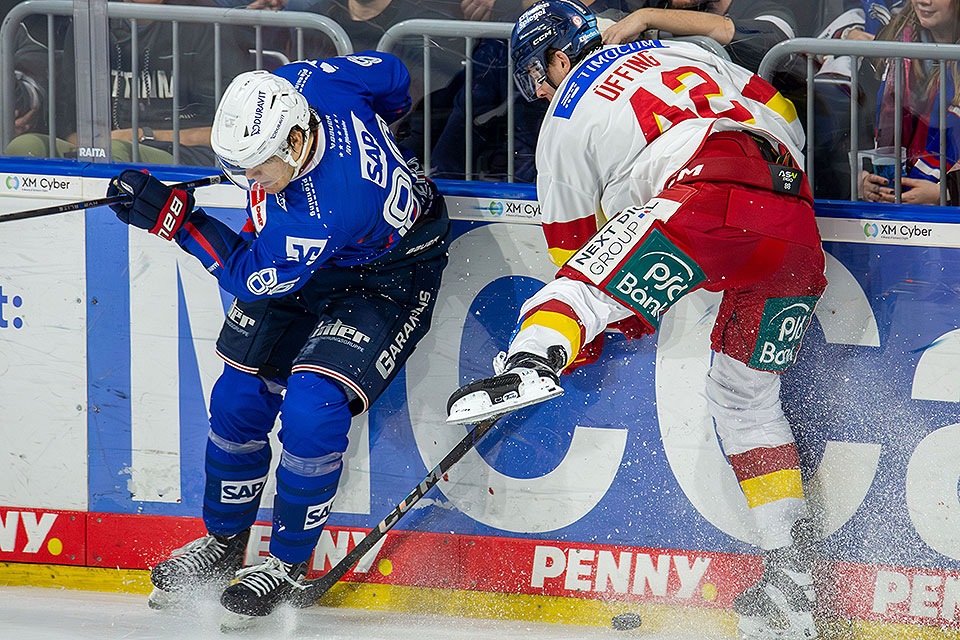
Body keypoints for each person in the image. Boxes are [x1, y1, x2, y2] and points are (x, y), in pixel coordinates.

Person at [446, 1, 825, 639]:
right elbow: (784, 113)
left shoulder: (566, 112)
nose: (540, 93)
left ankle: (526, 362)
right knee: (743, 397)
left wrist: (580, 342)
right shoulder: (689, 55)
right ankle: (794, 584)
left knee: (569, 294)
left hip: (704, 197)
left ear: (560, 58)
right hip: (792, 214)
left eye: (538, 76)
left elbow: (575, 257)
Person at [106, 51, 450, 624]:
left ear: (294, 141)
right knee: (237, 398)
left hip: (383, 278)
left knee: (314, 409)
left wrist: (173, 216)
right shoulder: (302, 82)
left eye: (256, 170)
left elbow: (248, 274)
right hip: (322, 255)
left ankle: (286, 562)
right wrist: (393, 136)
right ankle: (222, 547)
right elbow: (390, 75)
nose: (247, 183)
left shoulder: (325, 208)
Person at [859, 0, 960, 204]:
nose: (924, 1)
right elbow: (858, 120)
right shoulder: (889, 40)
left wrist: (945, 192)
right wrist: (862, 178)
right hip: (886, 210)